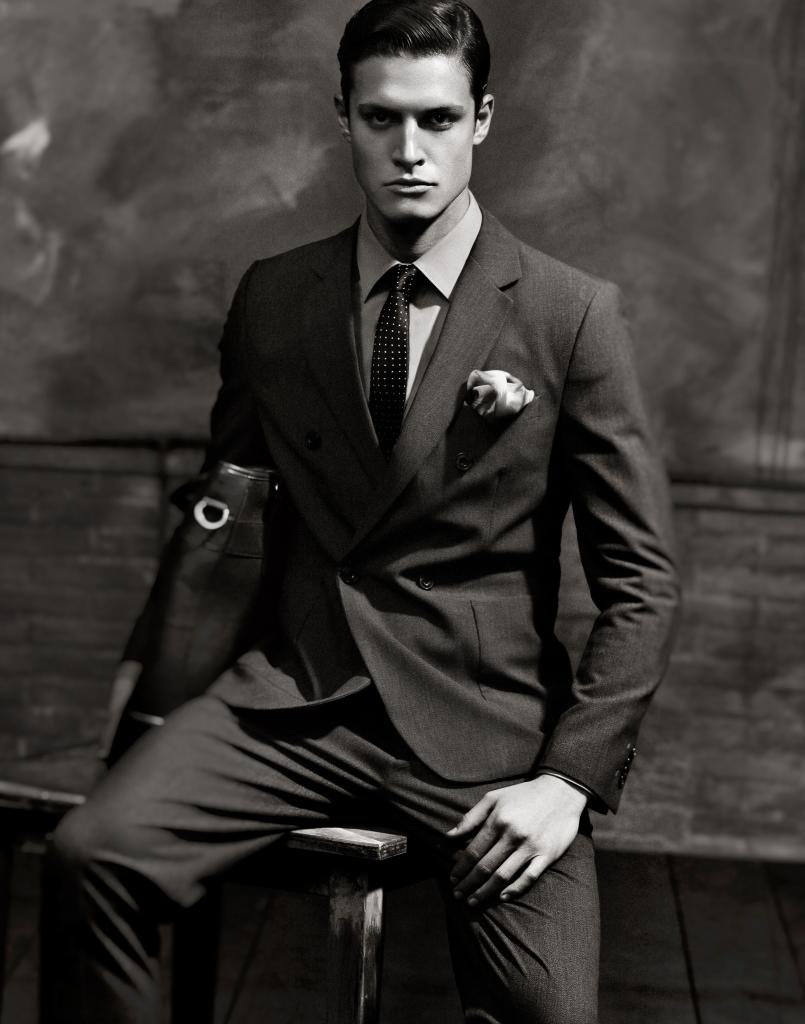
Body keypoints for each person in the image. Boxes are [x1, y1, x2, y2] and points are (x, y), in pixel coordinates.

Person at [42, 1, 679, 1021]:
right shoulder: (273, 297)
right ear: (343, 115)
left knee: (549, 1013)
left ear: (481, 119)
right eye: (381, 118)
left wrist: (566, 780)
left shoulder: (569, 315)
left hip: (483, 735)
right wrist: (155, 688)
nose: (408, 149)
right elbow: (228, 516)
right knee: (91, 855)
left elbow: (640, 581)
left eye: (437, 118)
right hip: (292, 704)